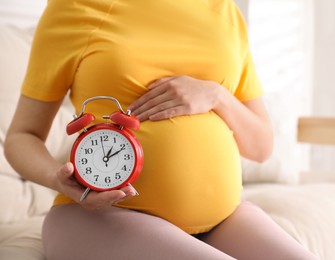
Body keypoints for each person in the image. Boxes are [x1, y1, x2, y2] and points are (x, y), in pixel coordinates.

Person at [4, 0, 318, 259]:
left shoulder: (224, 12)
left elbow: (261, 145)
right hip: (101, 218)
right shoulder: (75, 7)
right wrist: (58, 180)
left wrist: (216, 95)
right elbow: (22, 136)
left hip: (222, 219)